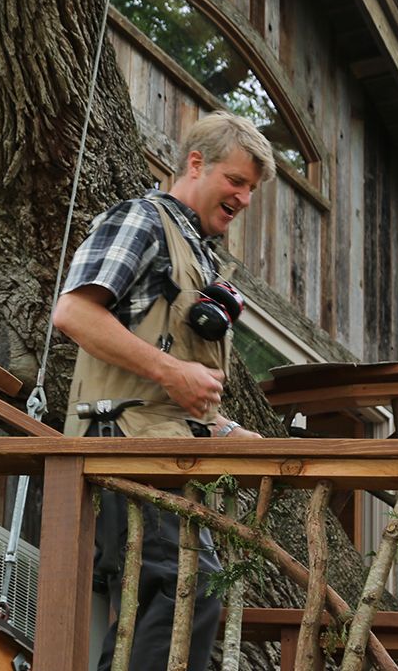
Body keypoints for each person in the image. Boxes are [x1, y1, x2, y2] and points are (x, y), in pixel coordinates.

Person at [52, 111, 274, 671]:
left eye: (251, 189)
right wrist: (172, 372)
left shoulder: (201, 257)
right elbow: (74, 312)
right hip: (121, 441)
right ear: (196, 163)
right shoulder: (141, 220)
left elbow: (178, 385)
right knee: (183, 588)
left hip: (165, 449)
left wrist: (227, 431)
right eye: (237, 181)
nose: (245, 198)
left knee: (186, 593)